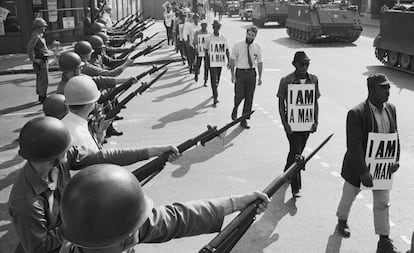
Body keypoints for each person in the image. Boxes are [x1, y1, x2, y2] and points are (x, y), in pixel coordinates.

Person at [8, 116, 180, 253]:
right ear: (51, 155)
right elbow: (38, 248)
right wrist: (75, 226)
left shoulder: (60, 160)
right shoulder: (26, 203)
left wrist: (153, 152)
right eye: (65, 149)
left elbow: (104, 157)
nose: (70, 151)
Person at [58, 164, 270, 253]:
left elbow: (176, 218)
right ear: (125, 235)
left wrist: (236, 203)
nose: (144, 224)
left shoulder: (99, 232)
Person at [335, 73, 400, 253]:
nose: (387, 91)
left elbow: (395, 137)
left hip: (381, 168)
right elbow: (354, 145)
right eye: (383, 88)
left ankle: (384, 240)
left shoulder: (391, 109)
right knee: (348, 197)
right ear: (371, 90)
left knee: (382, 202)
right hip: (358, 168)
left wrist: (395, 160)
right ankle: (341, 221)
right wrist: (363, 172)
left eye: (388, 87)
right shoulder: (356, 113)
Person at [276, 51, 319, 198]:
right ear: (294, 65)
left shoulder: (313, 80)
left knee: (296, 151)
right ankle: (296, 188)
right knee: (297, 154)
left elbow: (314, 102)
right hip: (291, 124)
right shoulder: (286, 80)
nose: (305, 67)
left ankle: (286, 174)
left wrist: (315, 121)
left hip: (306, 123)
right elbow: (281, 103)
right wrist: (285, 123)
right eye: (302, 64)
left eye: (307, 64)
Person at [230, 25, 263, 129]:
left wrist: (260, 77)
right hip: (240, 72)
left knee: (249, 97)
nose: (250, 37)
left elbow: (260, 62)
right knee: (239, 95)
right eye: (249, 34)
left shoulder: (257, 47)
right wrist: (232, 75)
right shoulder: (238, 45)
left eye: (252, 35)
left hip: (251, 73)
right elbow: (232, 60)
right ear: (246, 33)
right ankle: (235, 107)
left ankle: (243, 119)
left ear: (255, 36)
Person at [205, 20, 229, 106]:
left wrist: (229, 60)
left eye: (218, 27)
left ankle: (215, 90)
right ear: (213, 28)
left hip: (219, 61)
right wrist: (207, 61)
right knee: (213, 78)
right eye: (215, 27)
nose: (216, 29)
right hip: (212, 61)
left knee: (217, 77)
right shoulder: (209, 37)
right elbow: (206, 49)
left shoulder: (223, 37)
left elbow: (226, 49)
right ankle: (215, 96)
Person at [27, 18, 51, 103]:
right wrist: (34, 59)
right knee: (43, 79)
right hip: (41, 60)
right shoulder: (36, 36)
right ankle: (42, 96)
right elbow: (29, 48)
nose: (44, 28)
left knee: (41, 78)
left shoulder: (39, 35)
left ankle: (41, 94)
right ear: (38, 27)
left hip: (42, 59)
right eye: (43, 26)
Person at [193, 19, 210, 86]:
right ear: (201, 25)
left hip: (206, 53)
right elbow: (194, 42)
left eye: (205, 25)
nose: (204, 26)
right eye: (203, 25)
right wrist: (196, 48)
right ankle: (196, 75)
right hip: (199, 51)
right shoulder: (197, 32)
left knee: (206, 66)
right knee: (198, 64)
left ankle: (205, 80)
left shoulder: (208, 33)